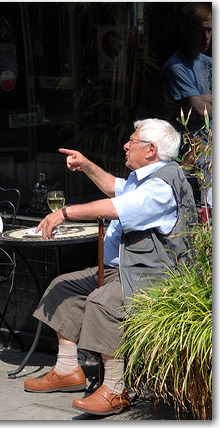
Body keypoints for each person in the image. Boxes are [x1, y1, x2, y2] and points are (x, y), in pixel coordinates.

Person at [23, 118, 197, 416]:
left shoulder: (160, 186)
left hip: (152, 274)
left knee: (103, 302)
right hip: (125, 269)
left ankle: (116, 389)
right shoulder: (144, 177)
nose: (126, 145)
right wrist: (86, 165)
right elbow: (115, 188)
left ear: (151, 150)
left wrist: (64, 213)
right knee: (63, 287)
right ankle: (67, 370)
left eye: (133, 141)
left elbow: (115, 208)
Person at [161, 2, 212, 207]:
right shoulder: (176, 67)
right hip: (191, 163)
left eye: (209, 30)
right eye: (200, 31)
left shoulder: (208, 63)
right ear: (186, 31)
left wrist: (203, 97)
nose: (206, 37)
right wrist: (204, 100)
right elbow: (200, 111)